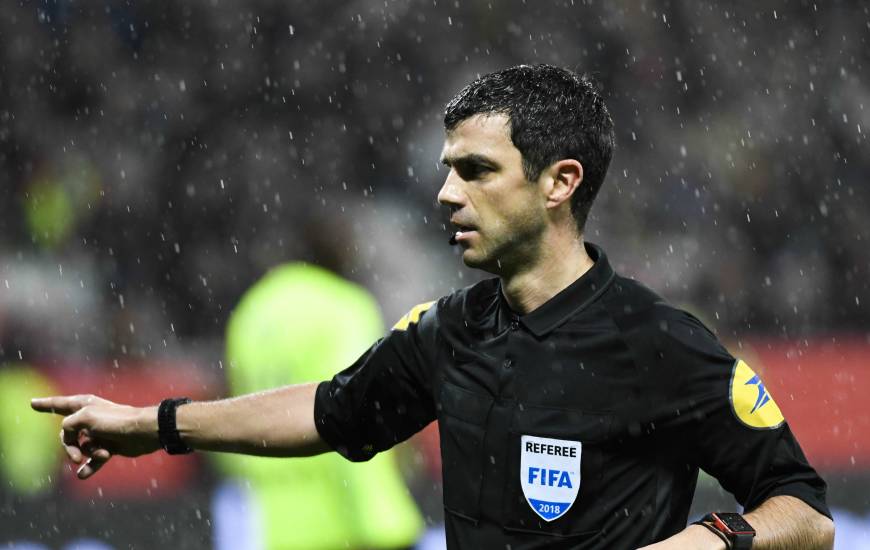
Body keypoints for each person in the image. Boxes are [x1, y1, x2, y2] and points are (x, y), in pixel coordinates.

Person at [32, 65, 834, 549]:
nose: (447, 193)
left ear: (560, 182)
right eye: (448, 168)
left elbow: (803, 512)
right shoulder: (452, 329)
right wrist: (152, 426)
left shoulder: (660, 342)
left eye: (477, 171)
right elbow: (326, 411)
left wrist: (706, 539)